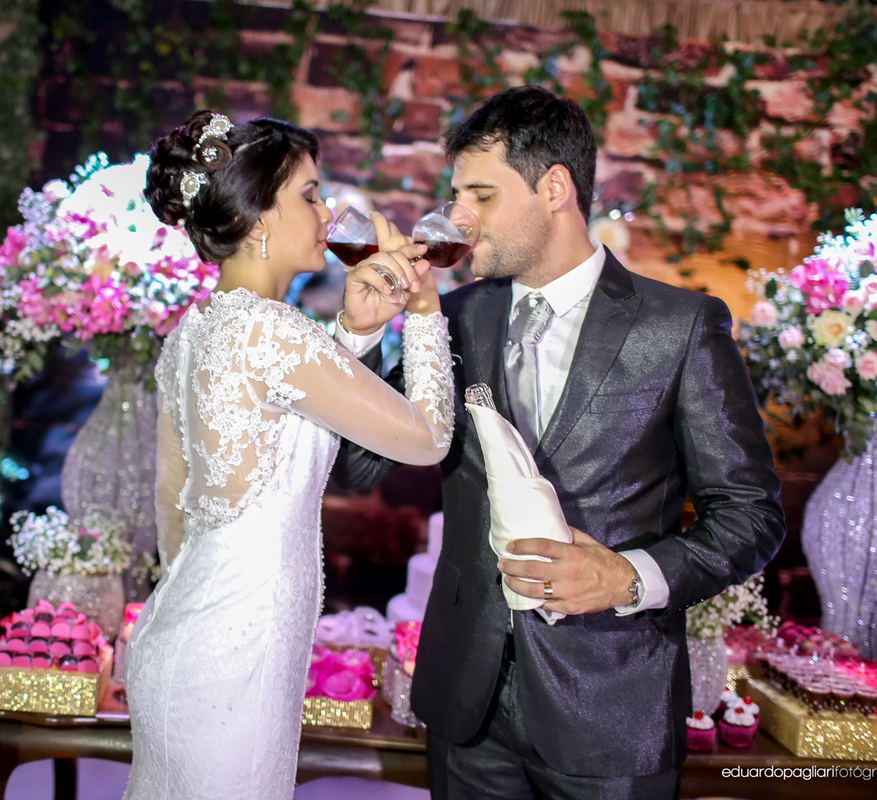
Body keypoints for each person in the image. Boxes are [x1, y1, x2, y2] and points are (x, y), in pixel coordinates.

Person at [333, 85, 786, 799]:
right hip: (467, 704)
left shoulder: (681, 326)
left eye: (481, 196)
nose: (457, 218)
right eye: (456, 196)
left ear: (554, 188)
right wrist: (358, 336)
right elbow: (355, 467)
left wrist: (629, 577)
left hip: (613, 708)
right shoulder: (449, 319)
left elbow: (750, 515)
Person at [121, 110, 455, 800]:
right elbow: (428, 438)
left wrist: (355, 332)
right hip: (234, 660)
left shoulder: (194, 332)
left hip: (187, 633)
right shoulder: (271, 331)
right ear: (256, 221)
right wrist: (424, 310)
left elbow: (175, 507)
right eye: (309, 194)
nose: (327, 212)